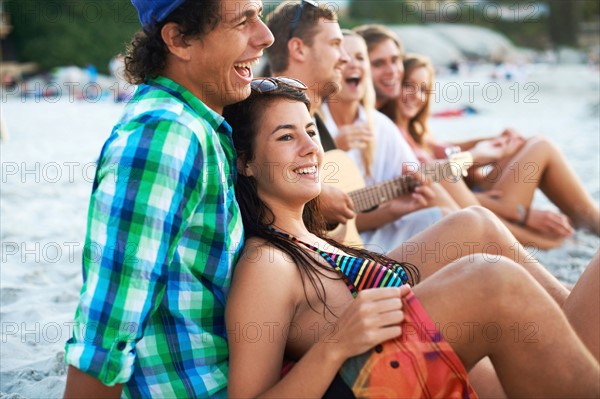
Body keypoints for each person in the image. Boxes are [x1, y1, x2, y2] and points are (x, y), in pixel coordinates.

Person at [222, 78, 600, 398]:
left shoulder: (310, 237)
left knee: (475, 224)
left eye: (310, 131)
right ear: (246, 162)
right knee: (493, 279)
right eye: (286, 137)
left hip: (443, 362)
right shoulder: (266, 264)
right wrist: (335, 345)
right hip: (383, 379)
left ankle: (568, 332)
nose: (309, 148)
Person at [63, 1, 273, 397]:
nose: (266, 35)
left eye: (260, 14)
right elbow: (106, 332)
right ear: (178, 39)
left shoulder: (197, 124)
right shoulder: (167, 136)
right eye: (244, 20)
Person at [355, 24, 598, 249]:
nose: (414, 94)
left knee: (533, 143)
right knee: (540, 147)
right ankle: (561, 236)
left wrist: (493, 144)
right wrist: (519, 212)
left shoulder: (402, 130)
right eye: (379, 64)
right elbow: (432, 179)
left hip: (469, 200)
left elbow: (444, 151)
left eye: (422, 89)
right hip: (462, 207)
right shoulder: (379, 128)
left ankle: (582, 225)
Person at [321, 30, 452, 252]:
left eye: (360, 58)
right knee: (467, 223)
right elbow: (314, 219)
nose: (353, 64)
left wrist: (396, 208)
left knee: (454, 219)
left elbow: (412, 175)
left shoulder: (381, 126)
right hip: (341, 249)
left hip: (378, 234)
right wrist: (332, 148)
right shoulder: (313, 124)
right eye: (344, 58)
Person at [265, 0, 355, 228]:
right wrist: (315, 197)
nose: (345, 58)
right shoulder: (264, 113)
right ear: (298, 49)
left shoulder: (317, 120)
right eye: (335, 44)